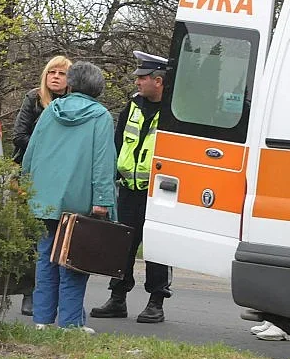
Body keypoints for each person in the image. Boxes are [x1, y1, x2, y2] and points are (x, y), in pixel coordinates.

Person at [22, 61, 117, 333]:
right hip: (79, 201)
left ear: (71, 84)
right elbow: (103, 162)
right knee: (74, 261)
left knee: (45, 258)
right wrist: (103, 200)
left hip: (44, 198)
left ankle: (42, 319)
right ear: (98, 88)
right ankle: (70, 322)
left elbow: (31, 151)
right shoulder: (100, 116)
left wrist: (27, 185)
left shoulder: (52, 109)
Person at [91, 51, 173, 324]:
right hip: (128, 189)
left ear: (158, 81)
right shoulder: (133, 106)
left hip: (158, 191)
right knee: (122, 245)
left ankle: (156, 301)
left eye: (142, 77)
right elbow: (117, 144)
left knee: (156, 248)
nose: (137, 82)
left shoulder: (175, 111)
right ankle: (117, 298)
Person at [11, 55, 71, 316]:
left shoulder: (75, 105)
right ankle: (29, 292)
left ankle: (56, 295)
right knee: (31, 236)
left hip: (63, 176)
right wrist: (46, 153)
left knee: (57, 236)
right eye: (51, 72)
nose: (55, 76)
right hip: (32, 174)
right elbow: (19, 135)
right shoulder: (33, 99)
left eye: (62, 73)